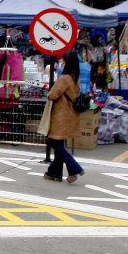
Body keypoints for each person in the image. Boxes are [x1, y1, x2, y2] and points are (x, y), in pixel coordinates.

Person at [44, 51, 86, 184]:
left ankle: (74, 168)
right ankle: (54, 173)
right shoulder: (75, 78)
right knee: (59, 144)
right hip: (71, 114)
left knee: (54, 142)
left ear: (67, 63)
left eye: (63, 61)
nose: (61, 62)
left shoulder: (64, 78)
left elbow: (52, 95)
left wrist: (49, 92)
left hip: (60, 115)